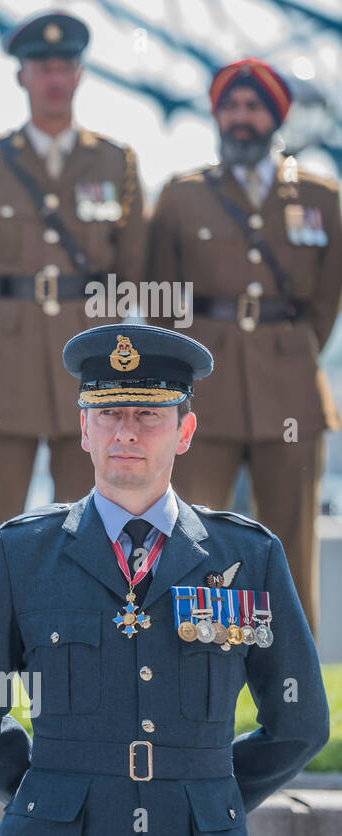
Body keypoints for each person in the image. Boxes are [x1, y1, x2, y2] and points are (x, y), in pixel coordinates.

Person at [0, 323, 329, 836]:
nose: (126, 433)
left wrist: (213, 796)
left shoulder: (248, 557)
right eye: (109, 414)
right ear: (84, 430)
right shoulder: (19, 553)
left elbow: (300, 721)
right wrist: (47, 794)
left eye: (148, 415)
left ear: (185, 431)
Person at [145, 57, 342, 636]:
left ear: (275, 117)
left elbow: (327, 300)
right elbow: (161, 299)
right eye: (230, 106)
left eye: (254, 107)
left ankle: (291, 691)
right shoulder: (181, 197)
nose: (240, 118)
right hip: (206, 390)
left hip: (291, 391)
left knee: (290, 543)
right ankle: (201, 680)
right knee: (198, 540)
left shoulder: (321, 197)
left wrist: (292, 351)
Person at [0, 10, 146, 563]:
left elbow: (132, 269)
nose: (54, 78)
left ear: (79, 76)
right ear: (22, 77)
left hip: (86, 357)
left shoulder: (114, 160)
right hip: (4, 359)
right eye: (42, 67)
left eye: (64, 66)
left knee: (89, 521)